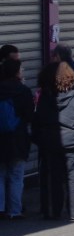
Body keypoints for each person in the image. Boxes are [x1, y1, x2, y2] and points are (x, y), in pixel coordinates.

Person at [33, 62, 74, 219]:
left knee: (54, 178)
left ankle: (54, 211)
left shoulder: (45, 99)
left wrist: (40, 139)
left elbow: (38, 120)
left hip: (52, 143)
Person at [0, 58, 34, 220]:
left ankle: (0, 208)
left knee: (0, 174)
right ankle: (14, 210)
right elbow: (29, 116)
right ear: (16, 72)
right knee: (16, 175)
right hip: (18, 139)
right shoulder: (23, 91)